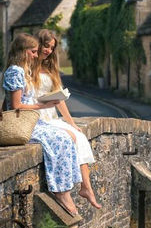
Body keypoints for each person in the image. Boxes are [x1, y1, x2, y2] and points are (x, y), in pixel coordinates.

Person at [2, 33, 81, 216]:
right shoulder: (16, 71)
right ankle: (60, 192)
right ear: (23, 52)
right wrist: (42, 105)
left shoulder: (24, 70)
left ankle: (65, 190)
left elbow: (9, 100)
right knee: (60, 139)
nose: (37, 56)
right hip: (23, 123)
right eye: (33, 52)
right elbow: (15, 106)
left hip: (32, 120)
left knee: (69, 136)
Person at [32, 29, 101, 209]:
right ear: (38, 43)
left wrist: (71, 123)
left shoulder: (50, 68)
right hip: (36, 117)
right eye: (46, 46)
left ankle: (86, 188)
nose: (48, 51)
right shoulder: (28, 66)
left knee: (79, 137)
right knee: (68, 139)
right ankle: (71, 189)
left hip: (51, 116)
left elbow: (59, 99)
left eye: (51, 48)